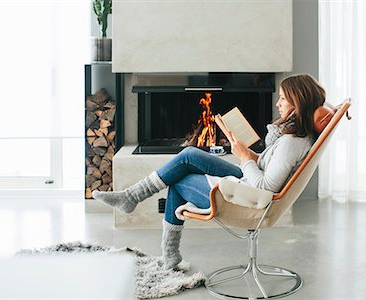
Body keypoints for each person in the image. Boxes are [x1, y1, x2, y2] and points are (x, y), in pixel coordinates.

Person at [93, 73, 326, 270]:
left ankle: (164, 246)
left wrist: (245, 158)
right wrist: (248, 153)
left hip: (250, 199)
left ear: (298, 104)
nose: (278, 104)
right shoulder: (294, 137)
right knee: (189, 155)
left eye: (283, 99)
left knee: (178, 181)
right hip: (247, 182)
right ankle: (132, 196)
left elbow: (265, 188)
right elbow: (267, 168)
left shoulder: (290, 143)